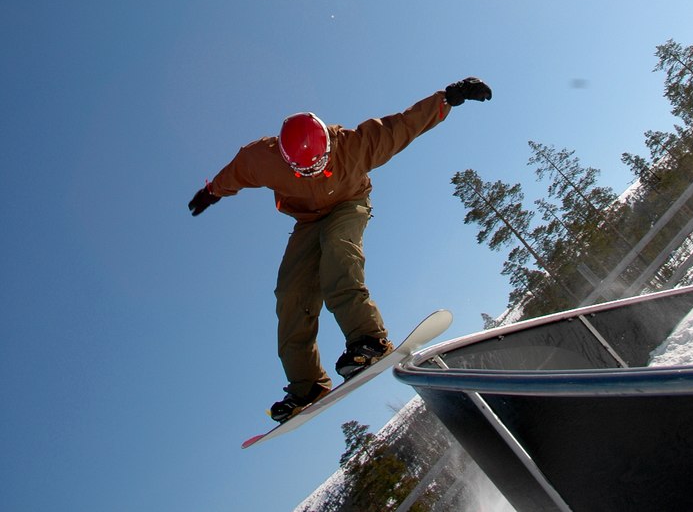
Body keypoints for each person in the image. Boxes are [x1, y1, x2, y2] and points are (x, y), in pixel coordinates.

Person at [188, 76, 491, 422]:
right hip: (307, 220)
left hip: (349, 203)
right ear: (287, 162)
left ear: (328, 148)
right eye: (304, 171)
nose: (313, 173)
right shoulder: (262, 158)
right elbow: (235, 173)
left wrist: (449, 98)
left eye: (318, 166)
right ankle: (307, 384)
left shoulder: (357, 145)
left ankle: (369, 339)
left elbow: (404, 125)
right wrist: (212, 191)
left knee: (338, 250)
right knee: (290, 293)